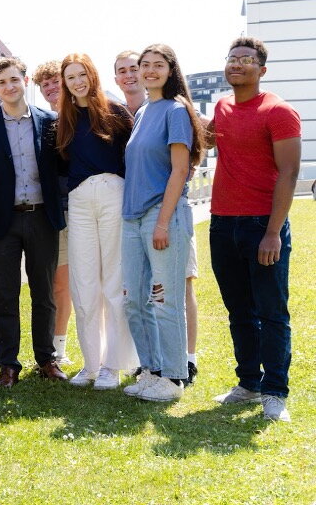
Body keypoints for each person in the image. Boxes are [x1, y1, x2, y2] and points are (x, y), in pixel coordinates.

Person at [209, 37, 301, 422]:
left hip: (263, 224)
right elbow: (206, 138)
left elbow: (290, 172)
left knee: (271, 312)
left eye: (247, 60)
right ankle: (249, 382)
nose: (238, 64)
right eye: (233, 59)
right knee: (238, 311)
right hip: (221, 223)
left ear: (261, 71)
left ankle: (275, 392)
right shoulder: (222, 107)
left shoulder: (278, 111)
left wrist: (272, 232)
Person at [0, 57, 68, 388]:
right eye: (2, 83)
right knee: (4, 294)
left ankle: (46, 359)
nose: (9, 87)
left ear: (25, 82)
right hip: (3, 220)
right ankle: (8, 365)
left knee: (44, 293)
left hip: (42, 216)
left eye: (14, 80)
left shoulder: (51, 121)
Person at [121, 44, 204, 403]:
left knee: (166, 300)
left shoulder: (175, 110)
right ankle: (151, 370)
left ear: (171, 71)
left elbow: (180, 170)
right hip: (132, 218)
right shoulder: (142, 113)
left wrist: (162, 224)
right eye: (145, 65)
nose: (150, 71)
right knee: (136, 301)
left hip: (162, 215)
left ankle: (173, 378)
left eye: (158, 65)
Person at [55, 54, 138, 390]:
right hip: (79, 200)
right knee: (84, 283)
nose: (77, 81)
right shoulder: (63, 119)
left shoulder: (115, 112)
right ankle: (91, 363)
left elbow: (131, 160)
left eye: (82, 74)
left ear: (92, 75)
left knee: (114, 283)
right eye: (70, 77)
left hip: (112, 194)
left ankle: (113, 365)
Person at [32, 60, 73, 367]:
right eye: (44, 84)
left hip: (86, 206)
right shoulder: (42, 121)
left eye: (54, 81)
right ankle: (58, 346)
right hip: (55, 212)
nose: (50, 87)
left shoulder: (83, 114)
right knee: (60, 282)